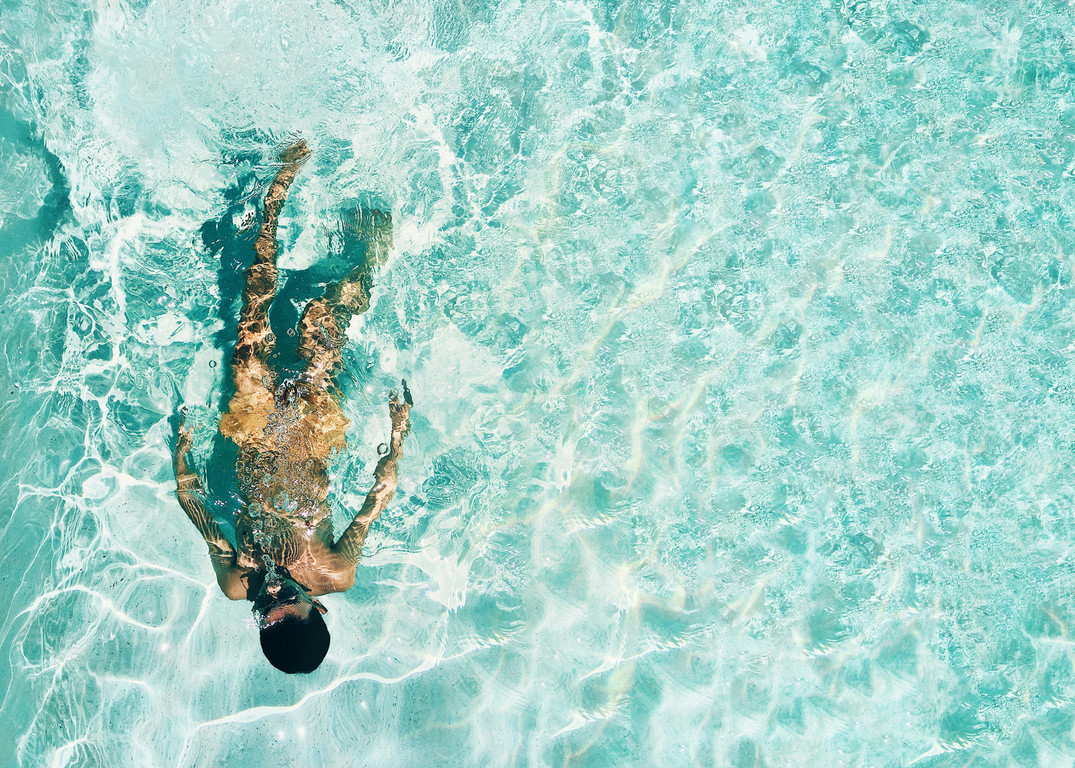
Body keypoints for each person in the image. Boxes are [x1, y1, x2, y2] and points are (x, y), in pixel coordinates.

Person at [172, 139, 411, 674]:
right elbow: (378, 498)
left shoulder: (237, 583)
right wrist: (398, 436)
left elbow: (200, 515)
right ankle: (368, 250)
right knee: (324, 315)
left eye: (264, 611)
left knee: (251, 318)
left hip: (253, 429)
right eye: (289, 602)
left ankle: (277, 195)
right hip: (309, 430)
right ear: (316, 604)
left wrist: (181, 456)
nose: (271, 593)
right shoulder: (334, 569)